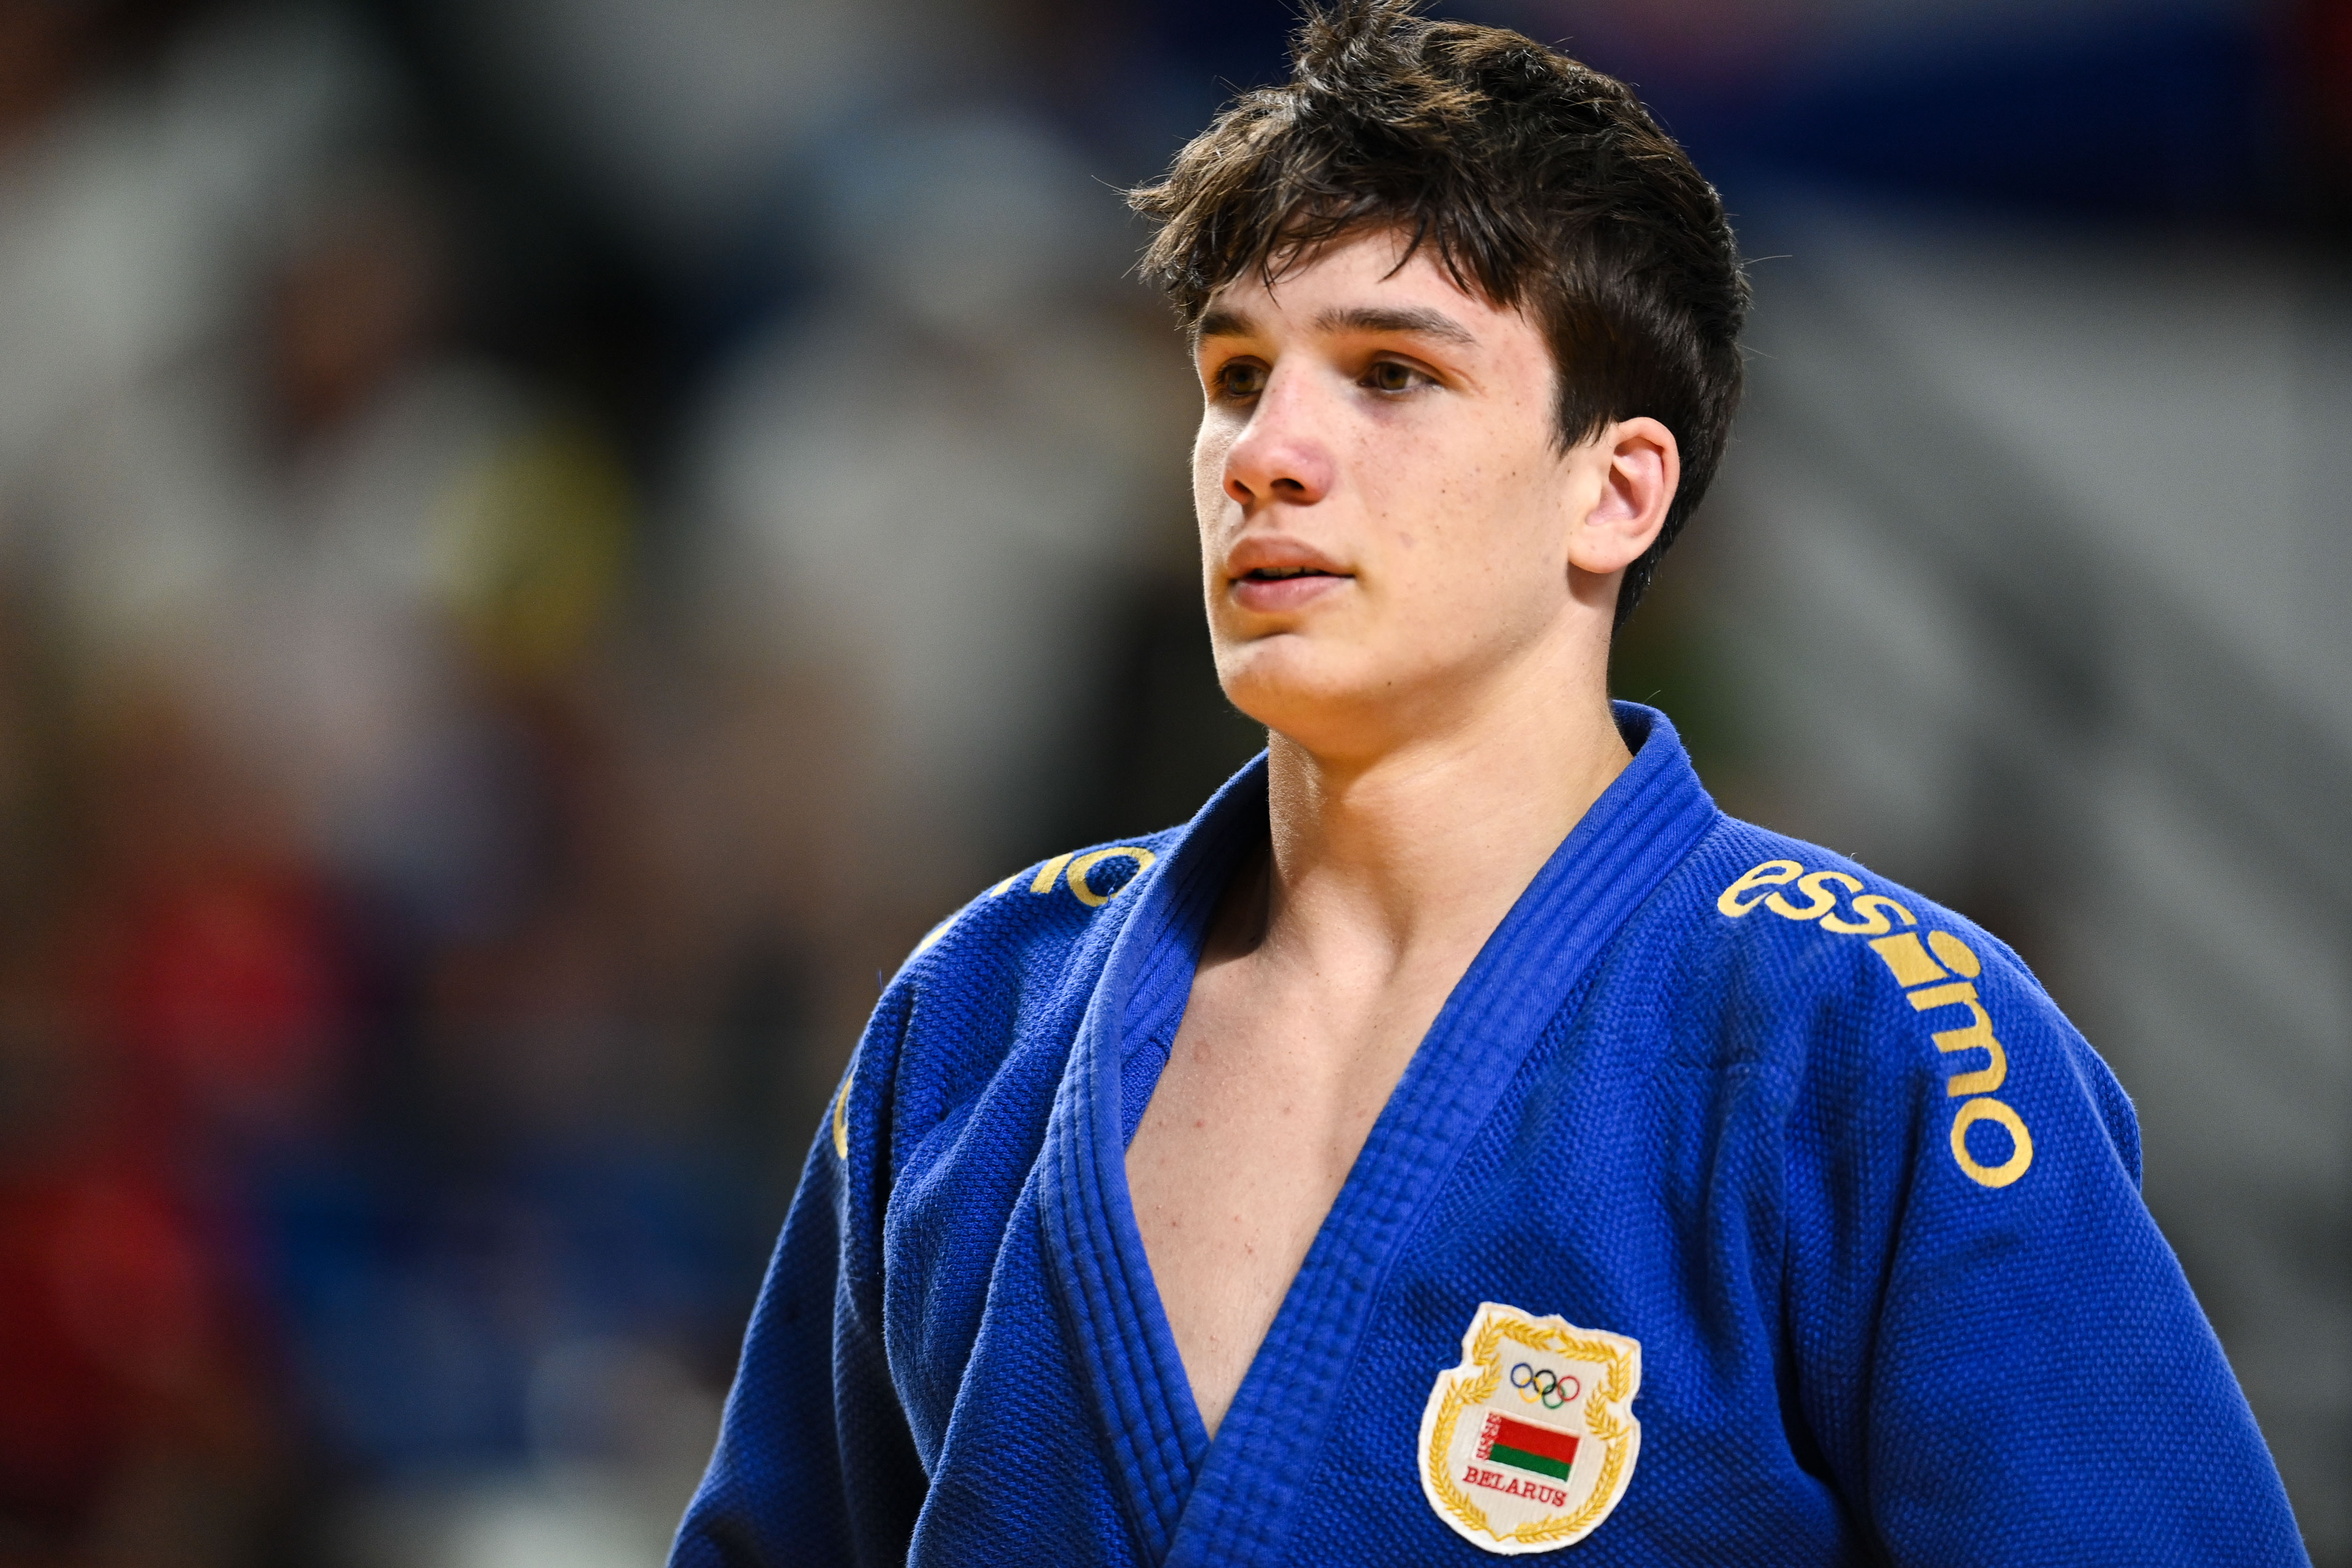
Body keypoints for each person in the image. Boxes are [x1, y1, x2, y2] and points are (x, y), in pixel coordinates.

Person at [670, 3, 2311, 1563]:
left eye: (1392, 373)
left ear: (1617, 493)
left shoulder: (1874, 1042)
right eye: (1235, 377)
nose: (1267, 454)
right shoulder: (977, 1013)